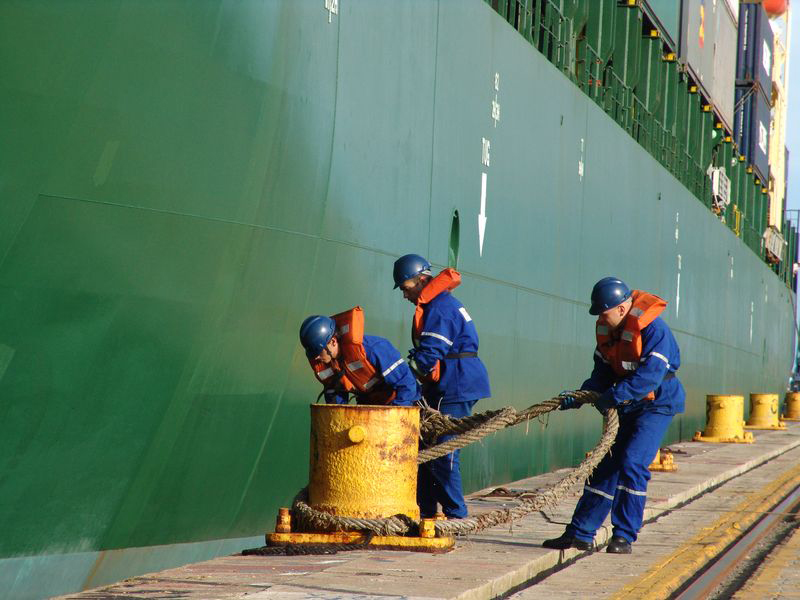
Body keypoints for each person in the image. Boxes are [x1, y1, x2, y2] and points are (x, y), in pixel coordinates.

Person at [544, 277, 685, 554]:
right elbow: (602, 374)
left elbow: (650, 377)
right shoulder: (609, 332)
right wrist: (582, 395)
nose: (600, 318)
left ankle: (624, 535)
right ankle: (581, 532)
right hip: (627, 403)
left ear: (621, 309)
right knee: (605, 467)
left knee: (632, 463)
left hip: (656, 405)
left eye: (603, 313)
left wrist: (614, 397)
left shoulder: (654, 331)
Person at [392, 253, 491, 519]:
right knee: (425, 451)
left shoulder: (440, 308)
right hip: (451, 381)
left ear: (421, 280)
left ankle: (456, 516)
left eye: (406, 288)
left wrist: (403, 379)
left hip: (456, 382)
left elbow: (430, 354)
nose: (405, 295)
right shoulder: (442, 304)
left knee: (443, 452)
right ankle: (424, 514)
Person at [299, 306, 420, 406]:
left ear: (333, 342)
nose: (316, 358)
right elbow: (335, 401)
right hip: (370, 411)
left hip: (400, 406)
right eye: (312, 354)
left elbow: (406, 383)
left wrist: (396, 413)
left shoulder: (375, 348)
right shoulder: (331, 365)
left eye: (317, 351)